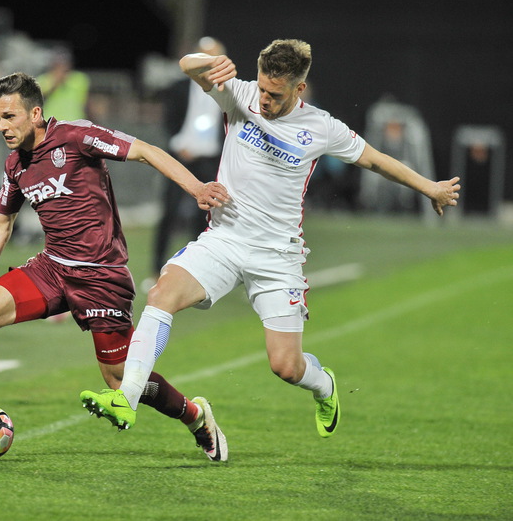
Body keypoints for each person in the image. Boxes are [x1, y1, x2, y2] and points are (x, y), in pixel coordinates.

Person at [80, 39, 460, 443]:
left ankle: (324, 386)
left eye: (275, 94)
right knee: (160, 296)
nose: (264, 100)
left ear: (299, 89)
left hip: (278, 257)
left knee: (286, 367)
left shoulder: (321, 127)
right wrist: (209, 62)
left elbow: (376, 160)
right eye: (261, 88)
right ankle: (127, 398)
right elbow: (186, 65)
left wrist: (430, 188)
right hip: (224, 240)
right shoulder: (240, 94)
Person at [0, 72, 232, 462]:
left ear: (35, 113)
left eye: (10, 116)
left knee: (118, 378)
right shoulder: (16, 164)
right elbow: (2, 222)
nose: (2, 126)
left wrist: (198, 188)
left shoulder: (76, 136)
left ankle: (197, 417)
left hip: (102, 275)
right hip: (51, 269)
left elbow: (146, 150)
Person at [150, 36, 226, 279]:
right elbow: (169, 122)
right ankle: (156, 267)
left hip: (209, 160)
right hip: (180, 157)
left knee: (204, 217)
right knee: (169, 212)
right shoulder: (179, 87)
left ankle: (196, 269)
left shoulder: (229, 90)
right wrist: (179, 145)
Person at [36, 46, 89, 122]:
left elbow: (84, 102)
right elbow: (39, 99)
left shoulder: (79, 78)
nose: (62, 67)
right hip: (51, 123)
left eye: (64, 63)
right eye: (58, 64)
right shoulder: (44, 79)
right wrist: (56, 81)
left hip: (74, 123)